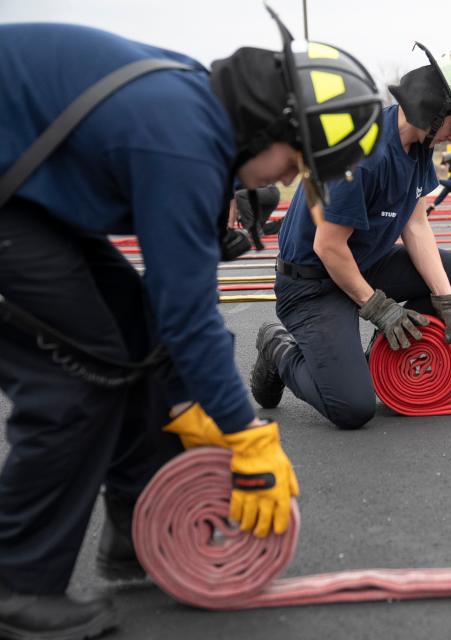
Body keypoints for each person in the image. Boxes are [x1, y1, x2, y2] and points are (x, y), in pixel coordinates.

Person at [0, 12, 382, 638]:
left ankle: (138, 523)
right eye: (297, 162)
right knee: (74, 380)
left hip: (25, 200)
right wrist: (246, 435)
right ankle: (15, 583)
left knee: (132, 338)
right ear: (273, 126)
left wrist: (185, 400)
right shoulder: (182, 137)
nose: (289, 180)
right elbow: (188, 314)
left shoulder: (197, 114)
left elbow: (167, 312)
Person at [253, 44, 451, 428]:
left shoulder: (418, 145)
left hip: (365, 265)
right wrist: (379, 308)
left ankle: (392, 354)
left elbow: (415, 222)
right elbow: (328, 246)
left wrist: (444, 299)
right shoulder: (361, 149)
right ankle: (279, 348)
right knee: (352, 409)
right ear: (435, 108)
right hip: (312, 283)